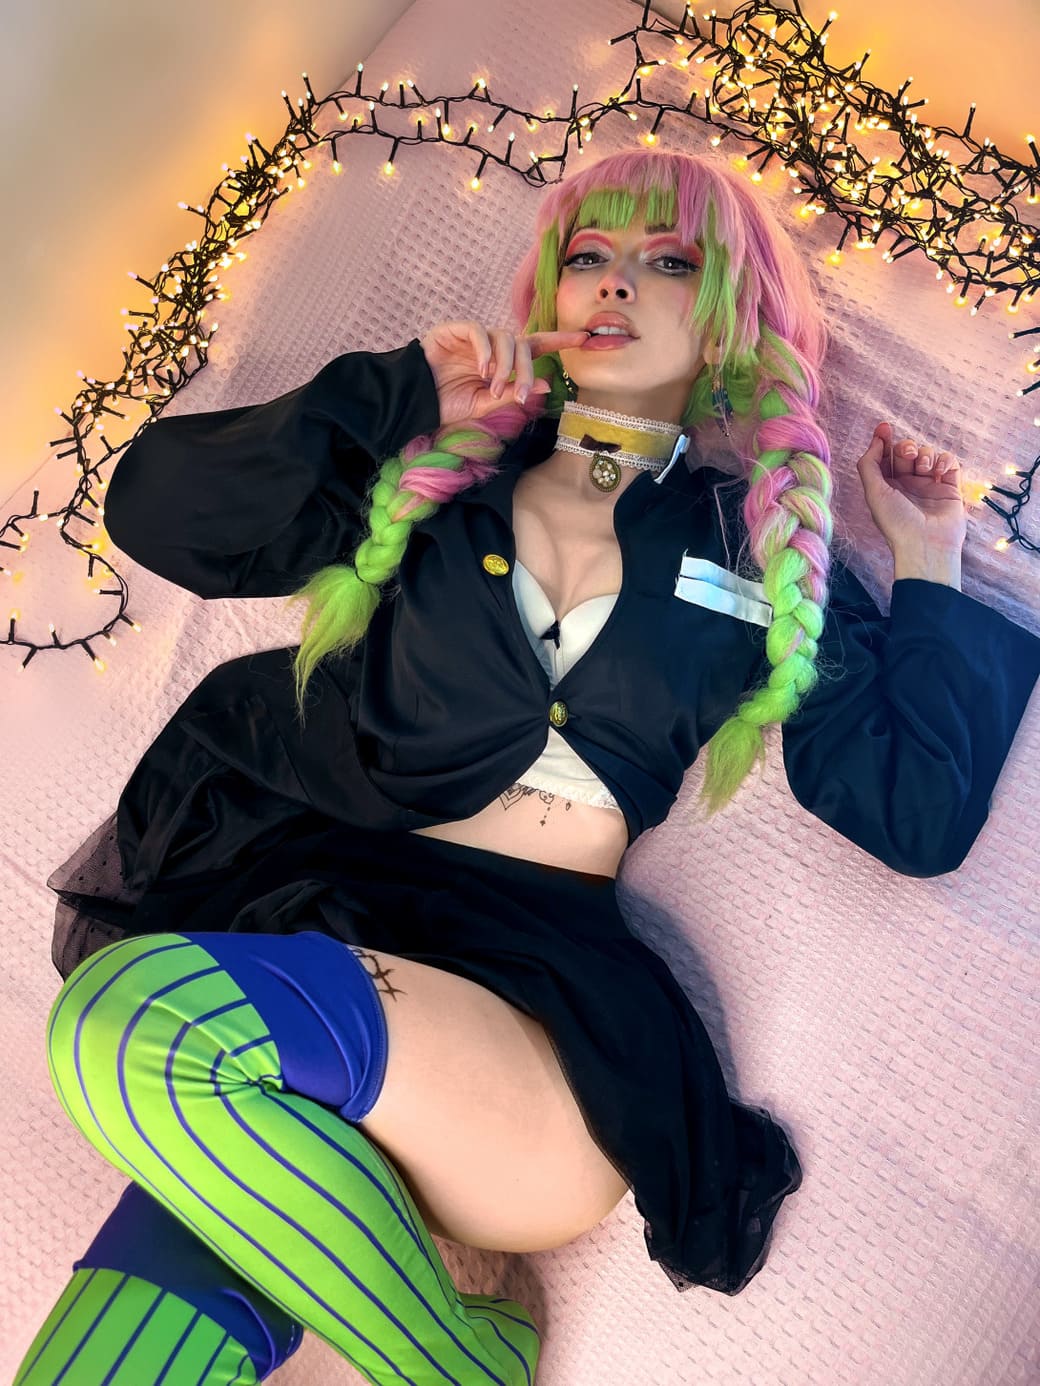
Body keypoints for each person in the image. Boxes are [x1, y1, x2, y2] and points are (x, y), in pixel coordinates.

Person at [18, 148, 1040, 1385]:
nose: (615, 283)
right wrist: (401, 390)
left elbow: (911, 810)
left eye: (669, 261)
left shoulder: (753, 545)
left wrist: (924, 561)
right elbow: (161, 515)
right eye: (587, 255)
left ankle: (451, 1357)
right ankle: (457, 1347)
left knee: (129, 1026)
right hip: (319, 941)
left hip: (534, 1040)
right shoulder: (443, 475)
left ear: (729, 320)